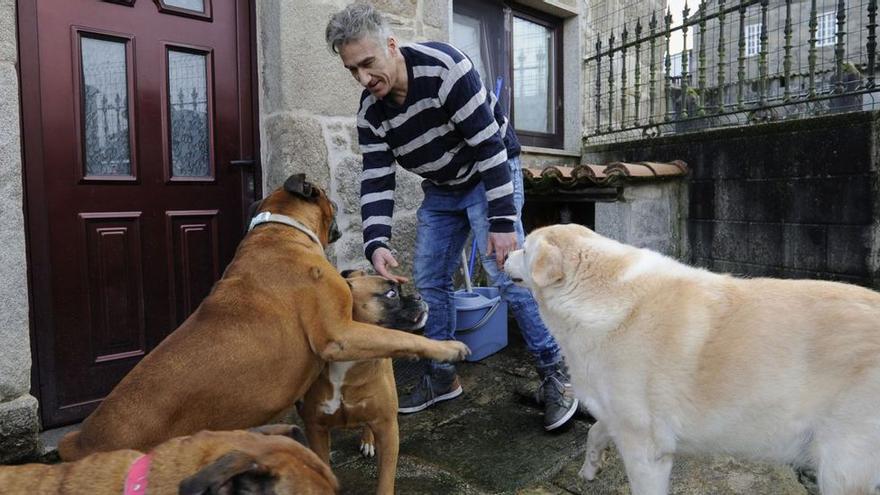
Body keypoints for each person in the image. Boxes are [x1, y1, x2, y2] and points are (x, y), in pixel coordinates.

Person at [325, 3, 578, 431]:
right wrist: (377, 241)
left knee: (506, 273)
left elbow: (489, 148)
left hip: (489, 173)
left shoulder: (446, 69)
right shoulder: (371, 112)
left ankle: (559, 376)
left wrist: (501, 224)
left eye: (368, 64)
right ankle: (441, 376)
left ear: (391, 45)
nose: (364, 79)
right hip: (442, 188)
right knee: (429, 280)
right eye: (353, 70)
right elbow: (376, 179)